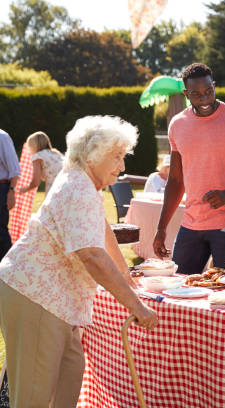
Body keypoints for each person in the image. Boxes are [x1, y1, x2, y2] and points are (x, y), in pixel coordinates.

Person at [0, 115, 158, 407]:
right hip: (37, 296)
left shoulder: (82, 183)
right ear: (93, 155)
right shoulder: (77, 187)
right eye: (117, 157)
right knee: (34, 396)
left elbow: (101, 228)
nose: (122, 167)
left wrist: (125, 273)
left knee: (69, 378)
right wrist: (137, 307)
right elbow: (92, 256)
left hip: (58, 302)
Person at [153, 63, 225, 273]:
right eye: (196, 94)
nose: (204, 99)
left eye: (209, 92)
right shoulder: (178, 124)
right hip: (191, 224)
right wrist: (161, 229)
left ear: (214, 86)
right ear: (186, 94)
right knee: (180, 287)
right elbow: (176, 181)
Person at [18, 131, 63, 196]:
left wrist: (25, 189)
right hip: (68, 187)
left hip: (55, 190)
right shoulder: (56, 153)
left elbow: (36, 182)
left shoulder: (37, 156)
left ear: (33, 146)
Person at [0, 129, 19, 259]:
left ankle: (7, 267)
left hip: (2, 186)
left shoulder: (2, 137)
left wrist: (12, 191)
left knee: (0, 231)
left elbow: (14, 169)